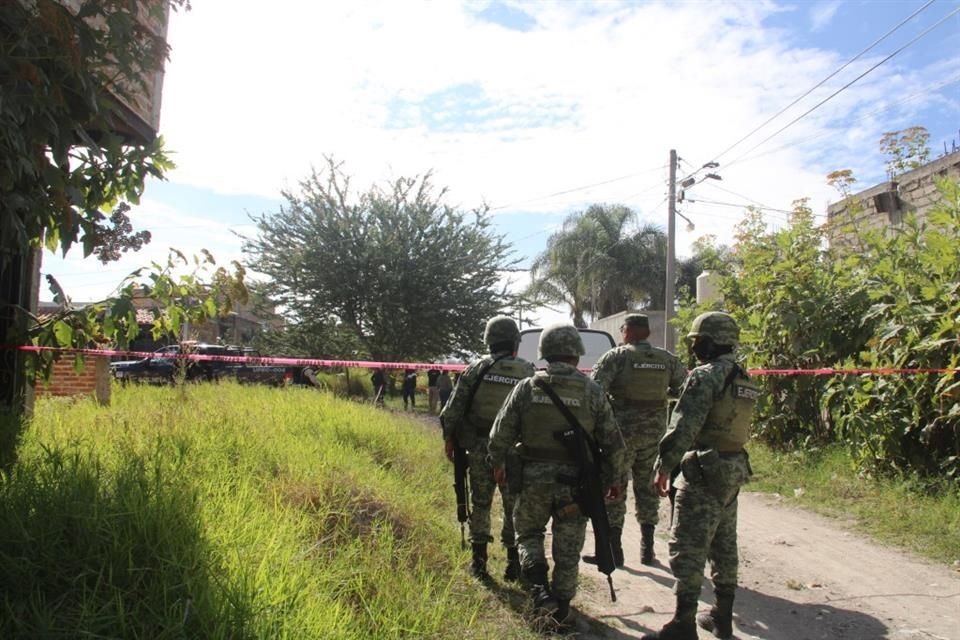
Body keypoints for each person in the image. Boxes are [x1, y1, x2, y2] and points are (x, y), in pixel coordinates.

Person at [488, 323, 625, 627]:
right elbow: (613, 442)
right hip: (576, 484)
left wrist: (497, 463)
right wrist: (615, 479)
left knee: (528, 534)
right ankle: (562, 607)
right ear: (577, 353)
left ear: (544, 353)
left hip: (532, 478)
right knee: (568, 545)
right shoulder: (592, 390)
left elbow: (500, 434)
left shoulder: (527, 387)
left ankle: (539, 590)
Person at [642, 312, 759, 640]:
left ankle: (683, 625)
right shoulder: (744, 378)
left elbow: (684, 425)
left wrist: (664, 465)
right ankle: (722, 616)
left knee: (688, 546)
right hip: (733, 469)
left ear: (710, 341)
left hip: (703, 471)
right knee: (724, 544)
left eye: (697, 341)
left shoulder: (705, 376)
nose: (694, 348)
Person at [587, 313, 686, 567]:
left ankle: (615, 550)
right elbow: (684, 389)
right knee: (648, 488)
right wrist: (661, 397)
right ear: (647, 333)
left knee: (615, 487)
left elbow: (595, 391)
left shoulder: (616, 357)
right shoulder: (666, 359)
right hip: (654, 435)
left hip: (621, 436)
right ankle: (647, 549)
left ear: (627, 331)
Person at [441, 316, 534, 582]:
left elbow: (453, 409)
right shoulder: (527, 370)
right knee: (513, 505)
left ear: (489, 341)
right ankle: (513, 565)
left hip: (480, 446)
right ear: (515, 342)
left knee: (480, 503)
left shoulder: (476, 368)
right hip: (514, 449)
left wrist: (449, 439)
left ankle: (479, 565)